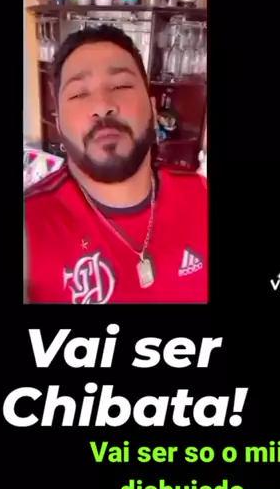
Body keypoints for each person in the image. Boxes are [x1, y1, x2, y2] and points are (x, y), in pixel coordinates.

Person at [24, 24, 208, 304]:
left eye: (121, 85)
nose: (103, 106)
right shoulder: (31, 226)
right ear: (58, 123)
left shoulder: (202, 196)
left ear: (152, 108)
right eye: (78, 94)